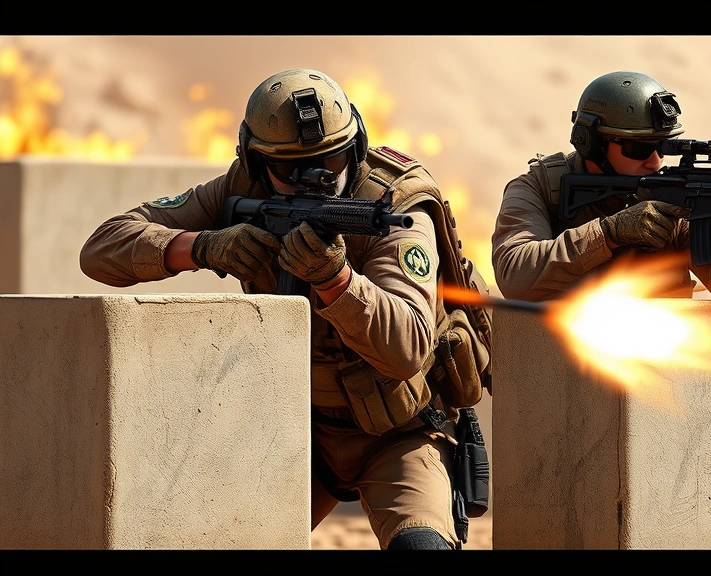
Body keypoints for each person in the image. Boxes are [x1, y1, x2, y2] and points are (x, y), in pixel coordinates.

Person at [80, 68, 473, 550]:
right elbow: (102, 248)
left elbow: (407, 348)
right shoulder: (242, 188)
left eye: (331, 160)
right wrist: (200, 247)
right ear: (256, 160)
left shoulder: (395, 205)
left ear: (355, 147)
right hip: (291, 426)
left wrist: (337, 281)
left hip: (396, 433)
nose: (316, 179)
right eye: (292, 169)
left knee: (421, 546)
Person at [491, 70, 711, 302]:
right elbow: (515, 275)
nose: (655, 160)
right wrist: (608, 233)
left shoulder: (674, 195)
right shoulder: (541, 187)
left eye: (663, 147)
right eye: (639, 148)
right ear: (592, 144)